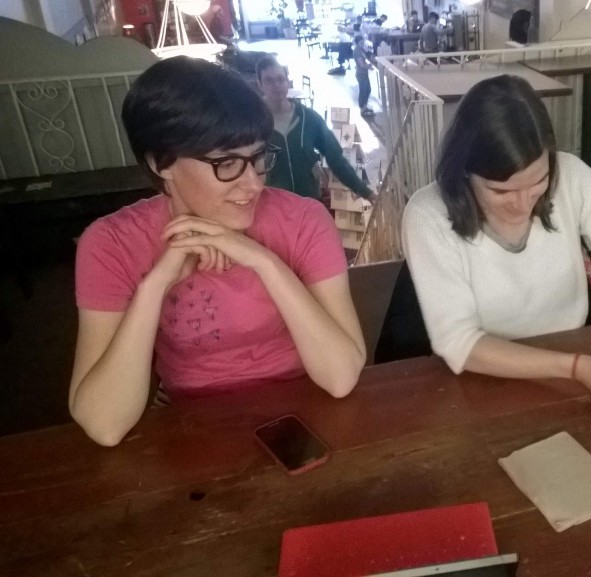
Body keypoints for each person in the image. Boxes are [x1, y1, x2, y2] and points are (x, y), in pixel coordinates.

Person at [70, 57, 367, 446]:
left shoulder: (304, 220)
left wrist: (264, 261)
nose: (254, 184)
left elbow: (340, 377)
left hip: (305, 406)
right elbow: (105, 425)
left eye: (258, 158)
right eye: (226, 163)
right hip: (189, 422)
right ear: (162, 163)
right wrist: (155, 285)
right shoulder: (111, 243)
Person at [402, 75, 591, 404]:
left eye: (538, 181)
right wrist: (574, 367)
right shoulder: (428, 215)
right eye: (501, 190)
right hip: (483, 379)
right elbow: (459, 344)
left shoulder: (571, 176)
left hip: (573, 357)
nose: (523, 204)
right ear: (464, 173)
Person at [255, 56, 374, 200]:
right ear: (260, 85)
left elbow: (336, 159)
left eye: (280, 79)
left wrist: (365, 191)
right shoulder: (253, 123)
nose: (276, 85)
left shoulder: (309, 119)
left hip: (309, 202)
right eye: (269, 80)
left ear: (288, 82)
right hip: (274, 206)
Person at [351, 25, 375, 117]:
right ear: (357, 43)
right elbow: (361, 64)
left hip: (363, 74)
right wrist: (369, 67)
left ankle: (365, 106)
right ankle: (362, 108)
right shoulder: (357, 51)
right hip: (361, 74)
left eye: (362, 42)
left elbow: (365, 58)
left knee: (367, 90)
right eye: (360, 42)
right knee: (363, 91)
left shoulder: (360, 49)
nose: (362, 44)